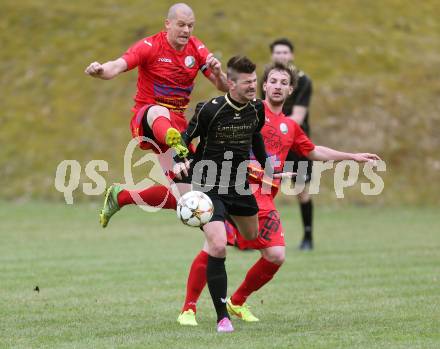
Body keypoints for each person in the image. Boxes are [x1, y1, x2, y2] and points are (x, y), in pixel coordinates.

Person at [177, 62, 381, 326]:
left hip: (262, 199)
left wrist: (352, 156)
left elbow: (314, 151)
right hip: (230, 187)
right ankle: (189, 308)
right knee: (214, 245)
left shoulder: (290, 127)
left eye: (284, 83)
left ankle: (237, 301)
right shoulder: (250, 109)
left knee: (276, 255)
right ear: (264, 85)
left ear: (291, 90)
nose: (277, 86)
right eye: (273, 81)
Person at [84, 3, 228, 227]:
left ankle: (120, 196)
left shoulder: (197, 49)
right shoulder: (149, 46)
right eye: (181, 25)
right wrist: (100, 70)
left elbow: (224, 87)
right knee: (159, 111)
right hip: (147, 118)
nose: (186, 31)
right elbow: (117, 66)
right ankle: (174, 141)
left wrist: (219, 73)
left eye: (190, 26)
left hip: (178, 128)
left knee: (189, 199)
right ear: (167, 24)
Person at [265, 38, 315, 250]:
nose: (281, 56)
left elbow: (298, 115)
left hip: (296, 142)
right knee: (263, 188)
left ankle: (307, 237)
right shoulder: (268, 78)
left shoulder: (303, 81)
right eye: (278, 53)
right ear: (272, 56)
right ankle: (253, 237)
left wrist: (280, 127)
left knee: (301, 190)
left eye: (285, 52)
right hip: (273, 143)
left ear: (291, 56)